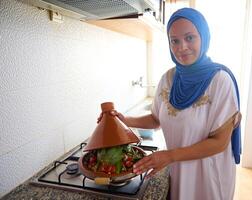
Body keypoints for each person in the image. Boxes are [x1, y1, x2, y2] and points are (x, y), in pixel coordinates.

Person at [98, 7, 242, 200]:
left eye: (190, 37)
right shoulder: (168, 79)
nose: (182, 47)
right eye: (174, 40)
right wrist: (124, 119)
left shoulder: (220, 81)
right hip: (178, 170)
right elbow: (156, 119)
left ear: (204, 37)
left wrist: (169, 156)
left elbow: (219, 143)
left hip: (209, 175)